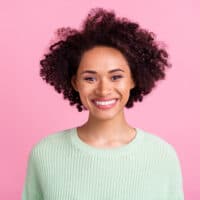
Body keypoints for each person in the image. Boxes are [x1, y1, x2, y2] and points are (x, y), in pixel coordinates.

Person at [22, 7, 184, 200]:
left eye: (116, 77)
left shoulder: (162, 155)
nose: (103, 90)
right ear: (75, 83)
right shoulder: (45, 154)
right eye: (90, 78)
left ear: (133, 79)